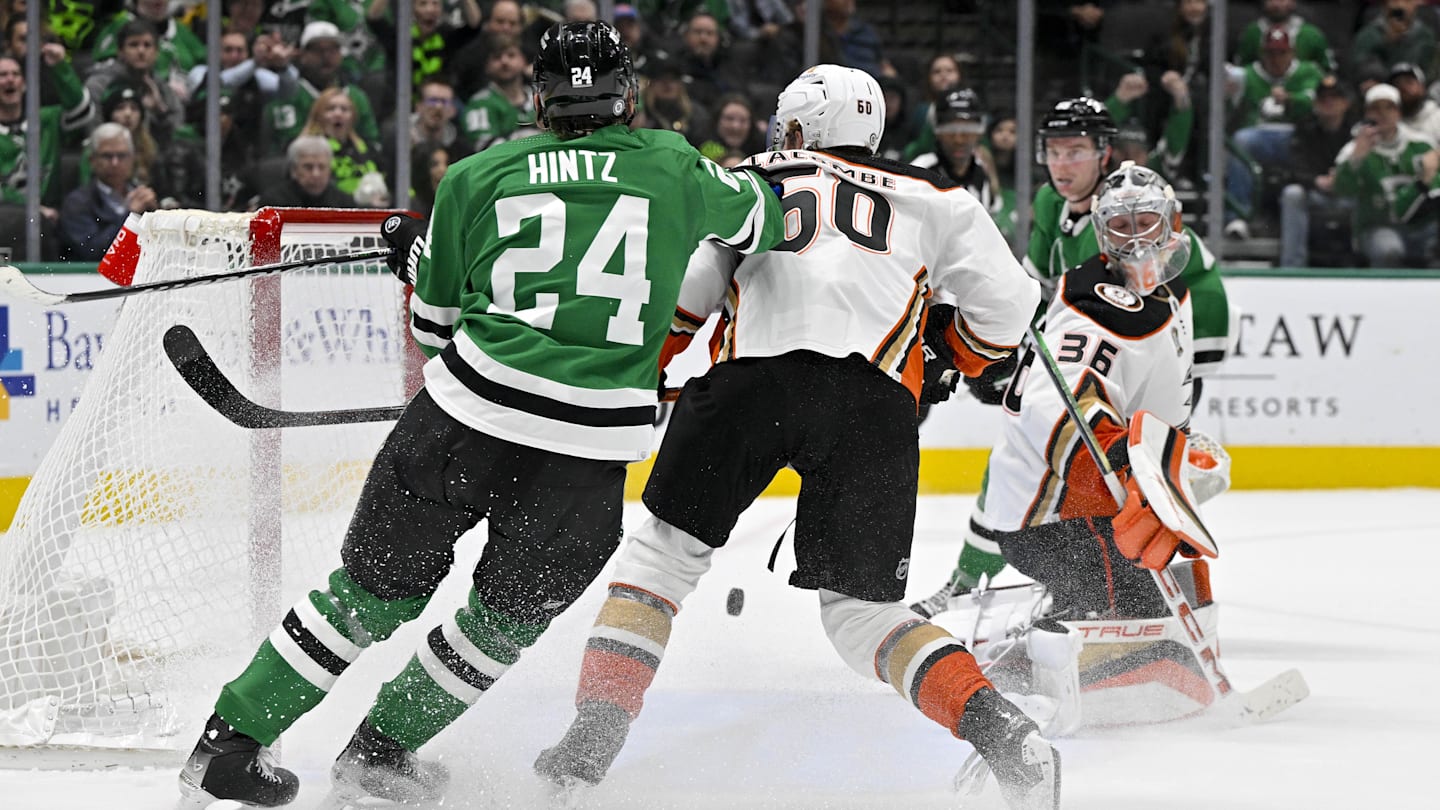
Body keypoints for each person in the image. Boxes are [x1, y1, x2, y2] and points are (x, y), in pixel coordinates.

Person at [176, 20, 783, 808]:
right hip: (583, 455)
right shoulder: (675, 164)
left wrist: (418, 257)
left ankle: (226, 745)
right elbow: (767, 218)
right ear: (627, 95)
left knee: (363, 598)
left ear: (539, 99)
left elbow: (434, 331)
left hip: (459, 424)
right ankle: (379, 753)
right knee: (497, 627)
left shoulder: (477, 173)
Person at [534, 64, 1059, 810]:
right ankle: (1005, 735)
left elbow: (686, 296)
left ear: (803, 127)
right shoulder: (936, 195)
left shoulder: (749, 176)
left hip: (750, 387)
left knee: (662, 558)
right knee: (861, 616)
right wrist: (952, 351)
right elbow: (1008, 311)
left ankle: (592, 736)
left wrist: (642, 371)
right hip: (872, 406)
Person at [930, 162, 1222, 732]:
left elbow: (1154, 404)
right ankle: (1029, 672)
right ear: (1101, 233)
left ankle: (1054, 640)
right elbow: (1056, 405)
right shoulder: (1097, 307)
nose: (1135, 239)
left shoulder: (1164, 297)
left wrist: (1175, 455)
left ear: (1172, 223)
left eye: (1145, 222)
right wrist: (1123, 460)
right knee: (1133, 611)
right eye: (1120, 226)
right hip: (1052, 515)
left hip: (1088, 506)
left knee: (1178, 583)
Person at [910, 97, 1231, 617]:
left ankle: (1083, 593)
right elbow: (1035, 289)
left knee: (1060, 472)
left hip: (1133, 364)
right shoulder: (1048, 203)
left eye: (1075, 151)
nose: (1062, 165)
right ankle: (972, 585)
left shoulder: (1131, 211)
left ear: (1103, 153)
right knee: (1017, 462)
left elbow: (1198, 282)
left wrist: (1190, 370)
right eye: (1054, 152)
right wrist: (1001, 350)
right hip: (1080, 371)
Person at [1333, 82, 1440, 268]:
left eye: (1389, 108)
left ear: (1398, 112)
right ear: (1367, 113)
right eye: (1376, 108)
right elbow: (1342, 191)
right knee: (1389, 249)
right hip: (1377, 226)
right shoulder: (1352, 150)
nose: (1383, 114)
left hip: (1422, 226)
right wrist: (1356, 160)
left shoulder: (1422, 145)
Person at [1278, 75, 1357, 267]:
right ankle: (1292, 266)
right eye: (1323, 98)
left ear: (1346, 103)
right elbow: (1293, 169)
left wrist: (1343, 180)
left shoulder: (1357, 131)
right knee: (1292, 194)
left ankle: (1361, 262)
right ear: (1315, 103)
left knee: (1368, 196)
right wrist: (1316, 181)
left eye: (1334, 97)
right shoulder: (1305, 130)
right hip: (1315, 193)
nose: (1329, 103)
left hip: (1349, 195)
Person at [58, 122, 157, 261]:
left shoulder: (144, 197)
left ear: (133, 158)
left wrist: (156, 212)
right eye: (107, 156)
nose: (115, 163)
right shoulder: (77, 203)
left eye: (122, 155)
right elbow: (92, 252)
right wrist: (131, 216)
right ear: (92, 160)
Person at [910, 87, 1003, 226]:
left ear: (980, 132)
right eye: (950, 131)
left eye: (967, 131)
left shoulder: (982, 173)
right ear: (937, 132)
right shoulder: (919, 171)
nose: (959, 140)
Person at [254, 133, 356, 208]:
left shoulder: (345, 204)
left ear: (329, 169)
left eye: (322, 167)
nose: (316, 174)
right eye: (308, 167)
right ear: (294, 170)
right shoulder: (273, 203)